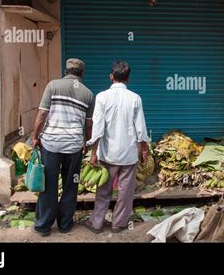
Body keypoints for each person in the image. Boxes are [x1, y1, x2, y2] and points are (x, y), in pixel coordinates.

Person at [31, 58, 94, 236]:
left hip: (51, 144)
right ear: (82, 73)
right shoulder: (88, 94)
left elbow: (42, 114)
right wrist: (86, 143)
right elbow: (89, 125)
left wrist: (35, 136)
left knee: (48, 185)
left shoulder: (53, 86)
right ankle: (65, 224)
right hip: (74, 146)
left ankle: (43, 226)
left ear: (66, 71)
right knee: (70, 186)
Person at [85, 61, 149, 234]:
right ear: (128, 79)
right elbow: (140, 128)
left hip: (107, 154)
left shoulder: (102, 97)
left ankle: (97, 224)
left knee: (103, 191)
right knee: (125, 192)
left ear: (111, 76)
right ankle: (118, 224)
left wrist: (93, 153)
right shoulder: (135, 98)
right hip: (129, 154)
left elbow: (97, 128)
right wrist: (144, 149)